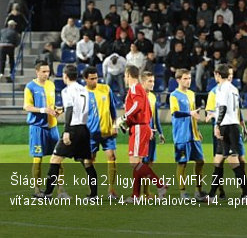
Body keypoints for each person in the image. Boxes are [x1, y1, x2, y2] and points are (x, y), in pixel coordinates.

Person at [35, 65, 98, 199]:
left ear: (65, 76)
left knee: (55, 159)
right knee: (87, 162)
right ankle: (93, 195)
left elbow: (70, 109)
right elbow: (76, 107)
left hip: (73, 129)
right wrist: (62, 110)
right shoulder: (84, 89)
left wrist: (67, 131)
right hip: (84, 129)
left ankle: (47, 193)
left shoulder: (66, 91)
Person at [207, 64, 247, 201]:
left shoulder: (221, 88)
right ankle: (211, 195)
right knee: (218, 159)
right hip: (232, 124)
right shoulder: (234, 88)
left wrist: (217, 124)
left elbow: (223, 108)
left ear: (218, 74)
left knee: (233, 160)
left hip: (226, 126)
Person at [122, 66, 167, 202]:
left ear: (128, 75)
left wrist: (124, 117)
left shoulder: (135, 87)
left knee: (134, 163)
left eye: (125, 75)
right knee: (139, 163)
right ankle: (135, 195)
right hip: (142, 127)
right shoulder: (142, 90)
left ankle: (160, 184)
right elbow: (146, 109)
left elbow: (137, 105)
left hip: (139, 128)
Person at [82, 66, 120, 199]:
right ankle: (92, 191)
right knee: (90, 160)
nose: (95, 81)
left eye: (96, 78)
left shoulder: (106, 89)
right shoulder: (82, 94)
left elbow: (113, 110)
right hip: (91, 134)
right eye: (91, 79)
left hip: (107, 132)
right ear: (85, 79)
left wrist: (115, 125)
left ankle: (111, 190)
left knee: (112, 157)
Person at [23, 61, 60, 197]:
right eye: (43, 71)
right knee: (38, 159)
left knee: (58, 159)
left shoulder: (51, 84)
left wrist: (56, 111)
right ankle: (37, 190)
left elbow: (52, 105)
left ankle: (60, 190)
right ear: (37, 72)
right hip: (38, 128)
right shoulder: (30, 87)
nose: (46, 74)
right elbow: (27, 107)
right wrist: (44, 110)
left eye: (48, 71)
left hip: (53, 127)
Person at [169, 69, 206, 199]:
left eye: (189, 78)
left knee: (200, 161)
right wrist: (190, 113)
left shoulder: (191, 94)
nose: (188, 81)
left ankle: (198, 191)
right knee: (182, 163)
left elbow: (194, 113)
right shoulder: (174, 95)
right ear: (178, 80)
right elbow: (175, 113)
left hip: (193, 134)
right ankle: (183, 192)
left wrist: (198, 130)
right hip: (181, 134)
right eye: (185, 78)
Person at [140, 70, 165, 197]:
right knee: (141, 163)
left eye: (153, 81)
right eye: (150, 81)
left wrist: (160, 132)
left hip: (152, 134)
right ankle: (138, 193)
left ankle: (146, 192)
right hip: (143, 134)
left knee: (149, 162)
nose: (152, 84)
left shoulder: (153, 96)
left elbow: (155, 117)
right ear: (143, 82)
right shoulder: (138, 96)